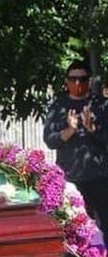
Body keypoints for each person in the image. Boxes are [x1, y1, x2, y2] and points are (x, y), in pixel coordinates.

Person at [44, 60, 108, 232]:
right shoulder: (58, 106)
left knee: (103, 228)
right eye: (73, 79)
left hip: (99, 178)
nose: (78, 83)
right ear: (67, 81)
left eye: (82, 79)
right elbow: (50, 140)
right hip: (70, 180)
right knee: (73, 229)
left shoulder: (101, 105)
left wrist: (93, 130)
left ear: (90, 80)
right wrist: (70, 130)